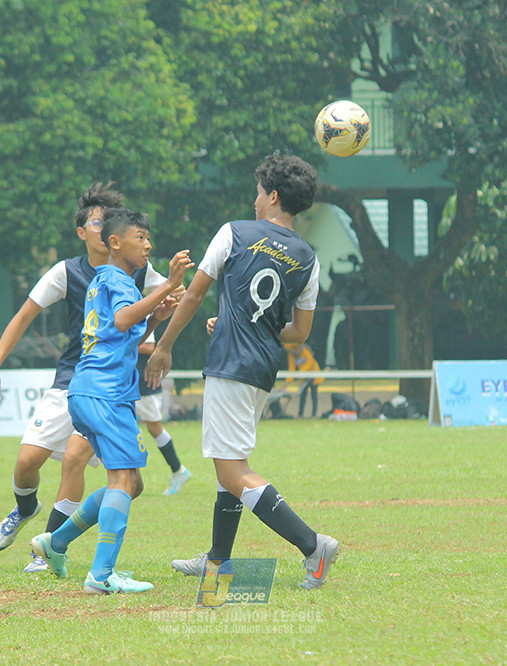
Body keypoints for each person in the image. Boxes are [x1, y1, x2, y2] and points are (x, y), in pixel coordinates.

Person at [145, 152, 340, 591]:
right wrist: (240, 323)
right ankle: (218, 560)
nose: (254, 201)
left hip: (230, 365)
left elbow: (193, 296)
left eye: (257, 193)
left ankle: (313, 545)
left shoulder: (234, 232)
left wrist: (164, 346)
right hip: (262, 369)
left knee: (232, 471)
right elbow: (299, 332)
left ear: (272, 195)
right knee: (231, 463)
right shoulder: (309, 259)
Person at [0, 184, 180, 573]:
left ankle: (48, 552)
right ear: (88, 233)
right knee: (27, 463)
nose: (105, 227)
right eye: (97, 222)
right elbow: (26, 316)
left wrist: (158, 332)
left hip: (103, 383)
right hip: (79, 381)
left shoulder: (137, 272)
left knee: (76, 461)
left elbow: (149, 316)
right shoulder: (72, 272)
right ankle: (29, 513)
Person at [29, 207, 194, 594]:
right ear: (115, 243)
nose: (148, 244)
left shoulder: (103, 280)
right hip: (106, 393)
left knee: (131, 482)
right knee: (123, 478)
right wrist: (166, 287)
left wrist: (154, 319)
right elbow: (121, 323)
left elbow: (122, 335)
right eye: (141, 237)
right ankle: (101, 576)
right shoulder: (120, 281)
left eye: (149, 238)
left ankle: (56, 542)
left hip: (89, 391)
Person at [136, 335, 192, 494]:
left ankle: (178, 470)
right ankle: (125, 475)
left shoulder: (143, 311)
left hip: (144, 381)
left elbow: (149, 347)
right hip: (127, 379)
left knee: (154, 428)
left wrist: (120, 343)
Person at [284, 342, 323, 418]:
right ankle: (300, 414)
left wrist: (301, 373)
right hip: (303, 378)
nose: (289, 351)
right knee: (302, 396)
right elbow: (291, 368)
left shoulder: (304, 350)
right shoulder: (291, 355)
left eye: (290, 349)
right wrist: (287, 381)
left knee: (314, 396)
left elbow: (310, 363)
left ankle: (314, 414)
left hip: (313, 376)